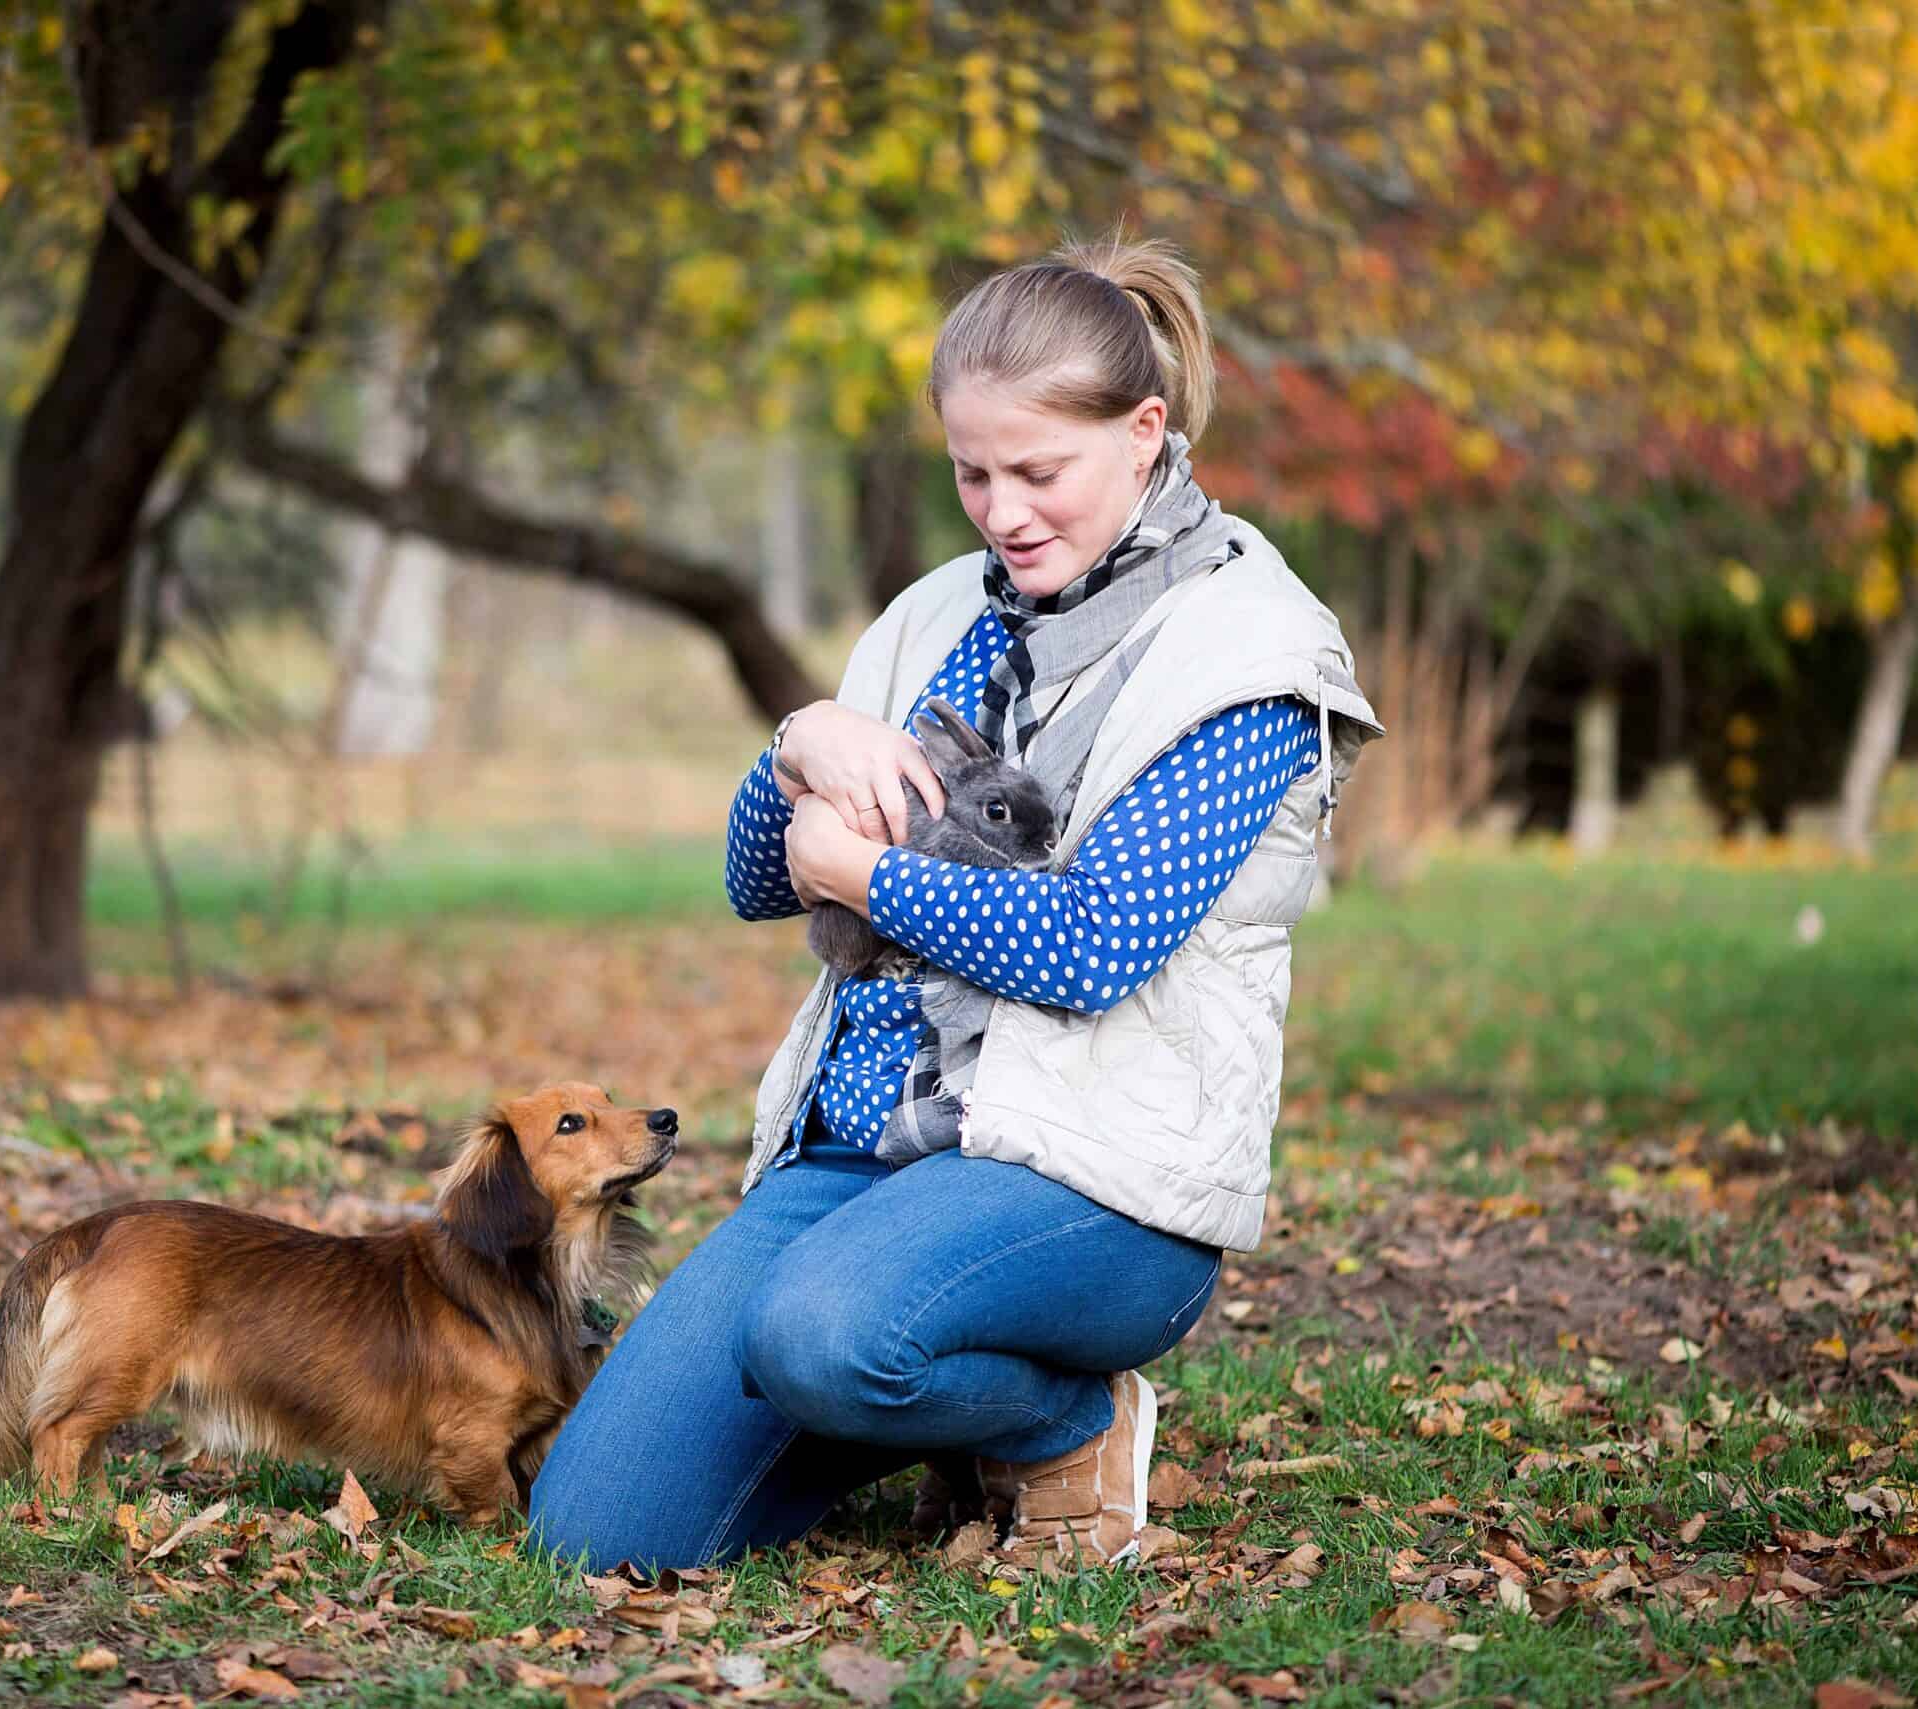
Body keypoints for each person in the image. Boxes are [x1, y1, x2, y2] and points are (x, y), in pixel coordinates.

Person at [527, 235, 1380, 1573]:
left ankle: (1054, 1421)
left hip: (1091, 1183)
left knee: (821, 1332)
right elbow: (763, 876)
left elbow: (1093, 943)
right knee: (594, 1527)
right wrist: (800, 740)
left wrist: (862, 868)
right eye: (973, 473)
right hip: (857, 1155)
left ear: (1147, 432)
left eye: (1041, 472)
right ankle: (902, 1373)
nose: (1003, 510)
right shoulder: (937, 618)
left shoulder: (1249, 652)